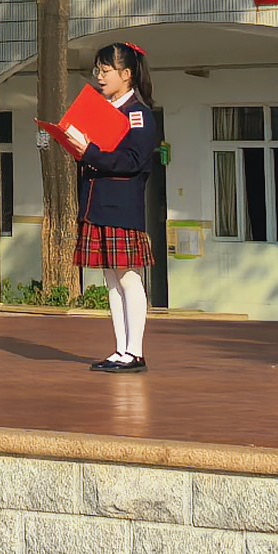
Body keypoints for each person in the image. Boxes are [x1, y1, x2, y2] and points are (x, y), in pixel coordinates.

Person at [60, 40, 164, 373]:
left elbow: (132, 161)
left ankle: (136, 352)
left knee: (129, 279)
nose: (100, 77)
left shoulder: (138, 115)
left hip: (122, 208)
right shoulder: (103, 110)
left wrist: (88, 151)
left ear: (127, 74)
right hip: (97, 204)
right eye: (98, 70)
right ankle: (121, 349)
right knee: (111, 281)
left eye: (106, 71)